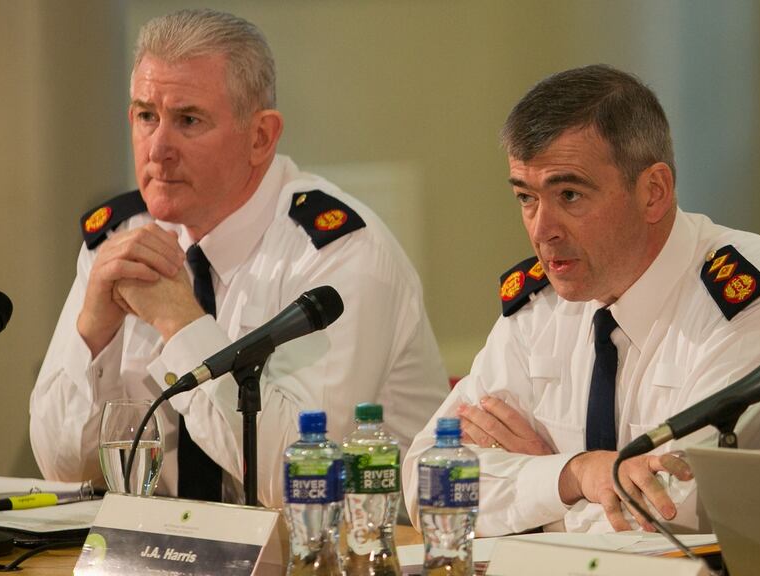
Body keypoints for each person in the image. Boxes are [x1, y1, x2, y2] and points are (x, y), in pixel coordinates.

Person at [402, 65, 760, 536]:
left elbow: (674, 520)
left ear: (653, 192)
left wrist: (545, 496)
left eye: (569, 194)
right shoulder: (542, 305)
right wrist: (572, 474)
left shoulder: (758, 301)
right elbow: (428, 480)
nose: (542, 230)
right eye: (526, 198)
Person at [30, 9, 448, 507]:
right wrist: (94, 331)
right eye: (146, 116)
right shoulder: (122, 238)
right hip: (170, 543)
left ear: (260, 137)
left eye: (188, 120)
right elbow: (63, 469)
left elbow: (299, 482)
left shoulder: (339, 254)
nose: (158, 149)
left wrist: (181, 324)